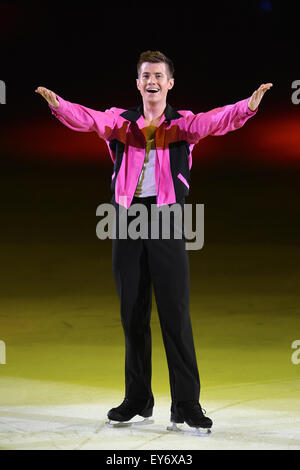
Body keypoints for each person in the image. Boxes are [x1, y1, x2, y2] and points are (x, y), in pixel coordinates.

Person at [35, 51, 272, 430]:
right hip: (126, 219)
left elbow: (217, 121)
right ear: (138, 82)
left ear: (170, 82)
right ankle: (137, 400)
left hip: (166, 218)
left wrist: (248, 106)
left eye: (159, 75)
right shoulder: (120, 123)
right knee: (133, 312)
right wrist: (59, 105)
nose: (153, 81)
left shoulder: (183, 124)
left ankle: (186, 405)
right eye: (146, 75)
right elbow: (89, 119)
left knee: (174, 314)